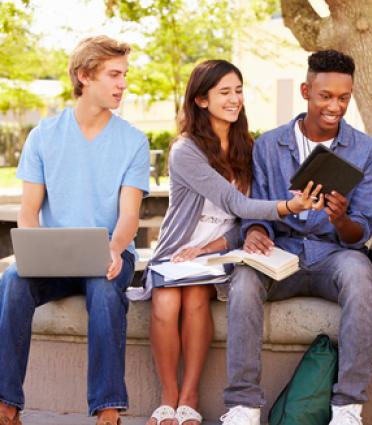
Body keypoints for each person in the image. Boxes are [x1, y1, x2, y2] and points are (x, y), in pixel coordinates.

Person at [134, 59, 323, 425]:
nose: (235, 99)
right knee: (166, 300)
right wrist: (289, 206)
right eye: (225, 92)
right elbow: (235, 201)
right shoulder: (186, 150)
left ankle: (188, 397)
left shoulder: (247, 147)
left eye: (238, 91)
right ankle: (167, 397)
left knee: (194, 298)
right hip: (178, 249)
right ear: (202, 100)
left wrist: (210, 248)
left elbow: (241, 220)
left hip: (222, 251)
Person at [218, 50, 372, 425]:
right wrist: (257, 231)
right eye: (325, 96)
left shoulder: (367, 150)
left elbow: (360, 232)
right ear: (306, 91)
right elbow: (255, 208)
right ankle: (243, 405)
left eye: (344, 97)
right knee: (243, 281)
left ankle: (347, 406)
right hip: (282, 250)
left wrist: (340, 219)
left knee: (360, 276)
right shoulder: (268, 145)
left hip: (333, 253)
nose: (335, 106)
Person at [0, 36, 150, 425]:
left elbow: (129, 217)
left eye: (124, 75)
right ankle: (6, 405)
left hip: (111, 255)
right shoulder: (44, 136)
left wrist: (116, 250)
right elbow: (29, 212)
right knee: (13, 279)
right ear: (85, 76)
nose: (123, 84)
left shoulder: (132, 141)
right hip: (54, 257)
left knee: (102, 290)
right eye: (114, 75)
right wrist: (33, 249)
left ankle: (108, 409)